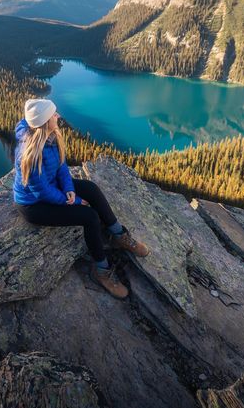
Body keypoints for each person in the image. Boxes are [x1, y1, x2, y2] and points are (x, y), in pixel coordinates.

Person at [13, 98, 150, 300]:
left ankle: (118, 235)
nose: (58, 116)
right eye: (54, 115)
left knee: (91, 189)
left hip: (53, 187)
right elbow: (41, 192)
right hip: (33, 205)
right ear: (44, 123)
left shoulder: (51, 136)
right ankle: (101, 271)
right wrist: (74, 201)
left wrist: (69, 189)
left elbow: (61, 167)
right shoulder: (30, 154)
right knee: (89, 217)